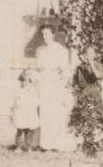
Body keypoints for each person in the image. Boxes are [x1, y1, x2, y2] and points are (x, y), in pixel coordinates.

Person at [35, 23, 76, 151]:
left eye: (47, 33)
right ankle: (45, 144)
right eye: (42, 34)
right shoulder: (39, 50)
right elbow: (38, 68)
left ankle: (56, 144)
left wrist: (63, 87)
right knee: (44, 113)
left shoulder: (60, 50)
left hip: (55, 84)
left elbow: (65, 71)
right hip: (42, 83)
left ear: (53, 35)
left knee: (56, 114)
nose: (44, 36)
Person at [10, 69, 40, 152]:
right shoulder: (18, 91)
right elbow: (14, 102)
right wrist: (13, 110)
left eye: (25, 81)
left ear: (30, 81)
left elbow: (36, 102)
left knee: (29, 131)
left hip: (29, 113)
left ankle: (28, 146)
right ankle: (18, 146)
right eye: (21, 81)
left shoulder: (33, 91)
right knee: (20, 130)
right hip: (20, 112)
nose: (23, 83)